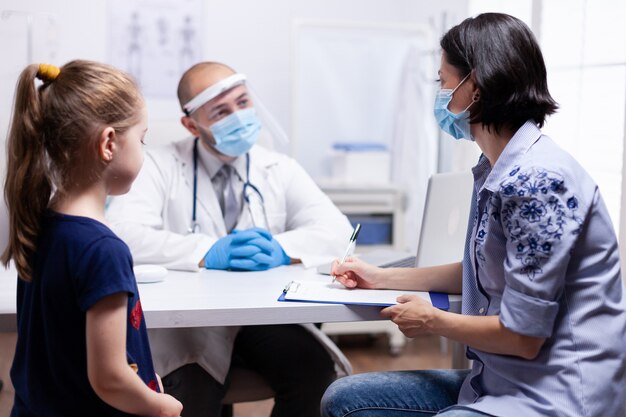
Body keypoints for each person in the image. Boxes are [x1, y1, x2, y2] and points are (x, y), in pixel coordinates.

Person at [322, 13, 626, 417]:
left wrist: (433, 321)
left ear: (475, 88)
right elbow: (482, 267)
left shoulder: (537, 181)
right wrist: (379, 277)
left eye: (442, 80)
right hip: (498, 381)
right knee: (343, 401)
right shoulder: (497, 169)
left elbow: (523, 338)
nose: (440, 92)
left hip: (556, 398)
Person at [105, 62, 353, 417]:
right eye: (221, 111)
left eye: (242, 103)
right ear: (191, 125)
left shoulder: (279, 168)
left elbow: (337, 230)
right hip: (192, 321)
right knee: (191, 393)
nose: (238, 116)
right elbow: (121, 234)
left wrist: (283, 248)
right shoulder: (159, 165)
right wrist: (206, 251)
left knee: (312, 371)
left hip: (260, 318)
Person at [1, 61, 183, 417]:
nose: (145, 150)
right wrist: (161, 406)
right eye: (142, 139)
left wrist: (142, 381)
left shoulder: (41, 223)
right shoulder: (103, 250)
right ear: (109, 143)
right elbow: (110, 379)